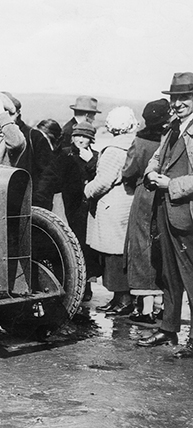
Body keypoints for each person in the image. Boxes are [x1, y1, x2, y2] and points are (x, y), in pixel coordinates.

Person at [138, 72, 193, 358]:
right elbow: (157, 157)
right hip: (166, 210)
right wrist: (150, 171)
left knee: (191, 275)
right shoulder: (172, 127)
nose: (178, 103)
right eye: (175, 97)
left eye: (185, 97)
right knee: (169, 274)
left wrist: (170, 184)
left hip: (187, 213)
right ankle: (168, 328)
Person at [34, 121, 100, 301]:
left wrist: (91, 162)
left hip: (88, 208)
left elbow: (100, 178)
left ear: (91, 139)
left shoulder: (95, 156)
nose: (80, 140)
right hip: (68, 204)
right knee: (71, 243)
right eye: (78, 135)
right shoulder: (63, 154)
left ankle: (86, 286)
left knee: (87, 247)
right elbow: (50, 177)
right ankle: (70, 283)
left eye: (85, 137)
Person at [85, 106, 138, 315]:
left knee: (112, 255)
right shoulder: (132, 145)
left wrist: (87, 190)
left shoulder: (113, 150)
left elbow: (103, 181)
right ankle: (120, 298)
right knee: (120, 253)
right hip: (127, 202)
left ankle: (122, 299)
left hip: (112, 206)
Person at [122, 99, 171, 324]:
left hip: (144, 195)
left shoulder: (140, 140)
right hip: (166, 194)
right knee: (161, 248)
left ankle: (145, 309)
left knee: (141, 248)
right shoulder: (172, 137)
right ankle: (163, 306)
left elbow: (129, 170)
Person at [3, 92, 56, 186]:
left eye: (9, 115)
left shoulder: (34, 136)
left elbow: (48, 174)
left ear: (18, 113)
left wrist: (37, 199)